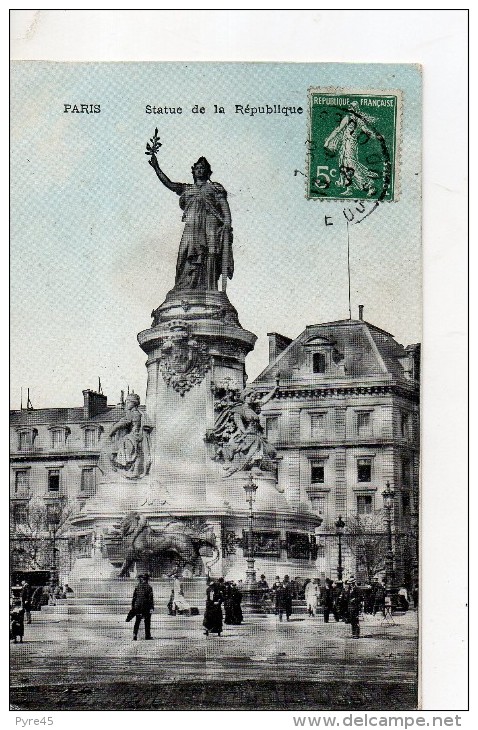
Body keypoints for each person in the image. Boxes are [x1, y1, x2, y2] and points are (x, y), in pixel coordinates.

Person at [148, 151, 233, 291]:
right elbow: (169, 184)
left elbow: (224, 208)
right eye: (197, 168)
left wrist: (227, 224)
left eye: (202, 168)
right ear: (193, 171)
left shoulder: (214, 187)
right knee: (183, 253)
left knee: (210, 254)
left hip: (210, 224)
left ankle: (210, 288)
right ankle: (183, 287)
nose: (200, 170)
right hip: (191, 227)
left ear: (208, 172)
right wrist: (157, 168)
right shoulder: (187, 188)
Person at [323, 102, 379, 197]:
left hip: (351, 146)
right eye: (350, 108)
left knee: (352, 167)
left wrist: (376, 136)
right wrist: (328, 140)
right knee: (344, 165)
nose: (350, 109)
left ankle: (370, 185)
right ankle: (349, 188)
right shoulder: (348, 118)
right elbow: (338, 130)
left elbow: (366, 131)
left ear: (355, 109)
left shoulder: (357, 120)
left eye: (352, 108)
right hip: (345, 145)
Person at [107, 393, 152, 479]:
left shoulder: (132, 414)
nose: (126, 404)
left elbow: (120, 424)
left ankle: (124, 463)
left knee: (123, 445)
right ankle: (134, 470)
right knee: (138, 454)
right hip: (140, 436)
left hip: (134, 436)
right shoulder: (139, 413)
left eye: (128, 402)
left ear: (133, 403)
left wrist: (111, 432)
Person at [131, 573, 154, 640]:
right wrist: (151, 607)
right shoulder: (149, 587)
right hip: (145, 606)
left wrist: (133, 606)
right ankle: (147, 635)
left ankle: (134, 635)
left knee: (137, 621)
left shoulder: (137, 587)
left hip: (137, 606)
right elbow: (150, 599)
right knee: (147, 621)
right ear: (147, 580)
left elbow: (134, 597)